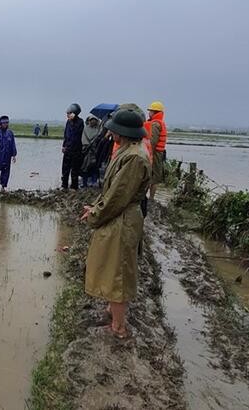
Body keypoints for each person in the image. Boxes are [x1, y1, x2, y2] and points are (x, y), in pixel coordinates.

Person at [80, 109, 151, 339]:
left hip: (123, 219)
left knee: (118, 272)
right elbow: (112, 190)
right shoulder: (127, 151)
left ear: (123, 132)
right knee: (113, 267)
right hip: (120, 216)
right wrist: (95, 205)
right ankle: (112, 312)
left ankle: (119, 328)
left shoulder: (134, 157)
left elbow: (118, 196)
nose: (109, 132)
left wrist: (95, 214)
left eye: (112, 129)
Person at [143, 101, 167, 201]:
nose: (149, 113)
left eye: (150, 111)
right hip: (159, 153)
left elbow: (153, 141)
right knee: (154, 176)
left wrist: (147, 154)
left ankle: (150, 198)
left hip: (154, 153)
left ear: (155, 112)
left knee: (152, 176)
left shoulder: (155, 124)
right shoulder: (160, 123)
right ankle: (150, 197)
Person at [0, 115, 18, 192]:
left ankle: (3, 187)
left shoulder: (10, 133)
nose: (5, 124)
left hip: (7, 157)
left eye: (7, 123)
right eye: (4, 123)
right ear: (0, 124)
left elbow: (13, 144)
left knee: (6, 172)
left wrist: (14, 155)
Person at [61, 103, 85, 190]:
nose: (68, 115)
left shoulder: (80, 122)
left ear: (75, 113)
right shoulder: (68, 122)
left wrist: (73, 122)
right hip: (67, 149)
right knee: (65, 169)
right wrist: (64, 146)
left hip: (76, 150)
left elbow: (76, 135)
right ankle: (64, 186)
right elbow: (66, 135)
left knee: (74, 170)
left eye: (69, 113)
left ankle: (74, 187)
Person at [80, 115, 101, 187]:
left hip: (93, 151)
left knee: (93, 167)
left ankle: (92, 182)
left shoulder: (98, 130)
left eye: (94, 120)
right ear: (89, 121)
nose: (93, 121)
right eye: (92, 120)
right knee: (86, 167)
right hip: (87, 151)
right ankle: (86, 183)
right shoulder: (87, 129)